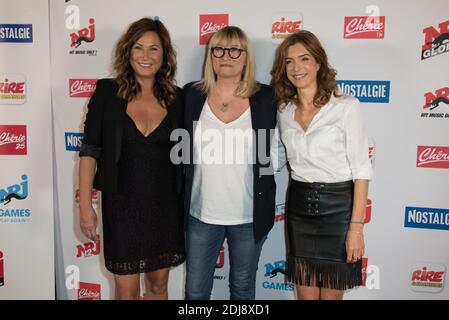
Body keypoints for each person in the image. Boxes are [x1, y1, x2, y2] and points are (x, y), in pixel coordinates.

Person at [78, 17, 185, 300]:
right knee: (126, 293)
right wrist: (86, 207)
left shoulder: (177, 98)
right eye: (138, 48)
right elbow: (89, 152)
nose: (146, 56)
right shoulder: (106, 93)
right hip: (121, 207)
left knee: (158, 287)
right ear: (128, 52)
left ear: (165, 55)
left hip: (165, 208)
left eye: (154, 49)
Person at [271, 30, 373, 300]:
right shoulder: (284, 112)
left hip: (338, 213)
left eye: (304, 59)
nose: (296, 68)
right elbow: (274, 160)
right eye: (289, 61)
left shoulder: (346, 107)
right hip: (299, 211)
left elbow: (362, 170)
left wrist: (356, 228)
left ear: (318, 62)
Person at [183, 26, 278, 300]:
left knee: (243, 290)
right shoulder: (191, 95)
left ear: (246, 56)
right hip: (201, 215)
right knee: (196, 293)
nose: (227, 56)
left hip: (249, 216)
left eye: (235, 49)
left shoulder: (265, 98)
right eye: (219, 49)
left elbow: (278, 148)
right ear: (210, 55)